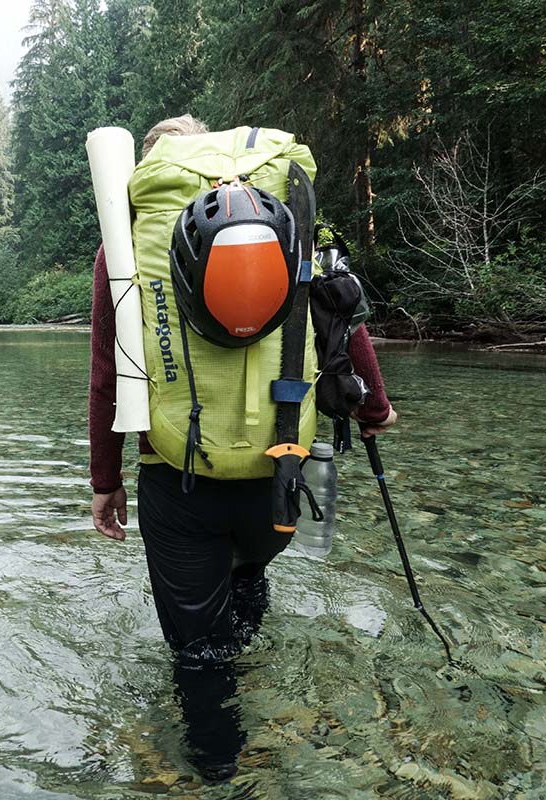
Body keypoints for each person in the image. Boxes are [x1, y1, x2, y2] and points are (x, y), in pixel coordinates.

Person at [87, 115, 398, 781]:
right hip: (277, 474)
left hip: (178, 482)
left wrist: (104, 480)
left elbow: (107, 374)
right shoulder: (289, 219)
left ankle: (218, 771)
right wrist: (374, 407)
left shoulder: (128, 244)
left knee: (198, 653)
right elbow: (341, 312)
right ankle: (257, 680)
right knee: (249, 576)